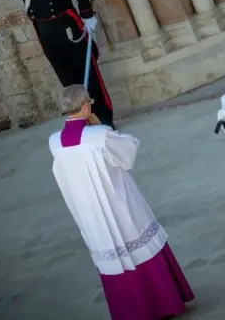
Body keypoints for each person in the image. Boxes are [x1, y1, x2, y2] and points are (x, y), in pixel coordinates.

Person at [50, 85, 194, 320]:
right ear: (86, 106)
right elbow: (129, 152)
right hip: (119, 205)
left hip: (91, 213)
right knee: (140, 246)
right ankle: (164, 304)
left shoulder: (55, 142)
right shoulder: (100, 136)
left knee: (113, 258)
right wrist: (98, 125)